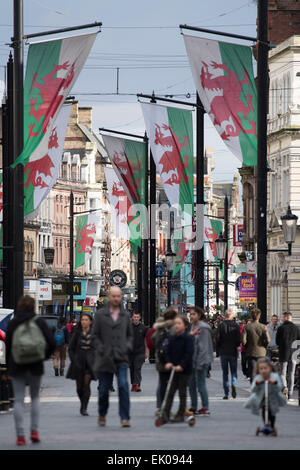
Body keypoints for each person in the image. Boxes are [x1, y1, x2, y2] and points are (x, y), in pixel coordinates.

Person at [5, 295, 55, 446]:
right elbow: (51, 342)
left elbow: (8, 345)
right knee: (34, 398)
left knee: (19, 399)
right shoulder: (39, 322)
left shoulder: (13, 323)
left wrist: (8, 367)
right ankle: (34, 431)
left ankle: (20, 435)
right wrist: (43, 356)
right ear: (33, 306)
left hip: (17, 364)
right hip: (35, 364)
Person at [92, 286, 133, 428]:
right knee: (103, 389)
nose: (116, 299)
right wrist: (101, 348)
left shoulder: (125, 315)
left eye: (118, 296)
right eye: (114, 296)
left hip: (121, 357)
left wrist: (127, 346)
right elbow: (95, 335)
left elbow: (130, 335)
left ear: (121, 297)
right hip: (105, 358)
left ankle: (125, 418)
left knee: (123, 386)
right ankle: (102, 414)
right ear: (109, 296)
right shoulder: (100, 315)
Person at [161, 316, 194, 423]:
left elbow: (188, 353)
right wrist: (169, 362)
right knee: (170, 392)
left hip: (184, 370)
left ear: (185, 326)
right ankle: (165, 413)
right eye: (175, 323)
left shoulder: (188, 338)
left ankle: (180, 414)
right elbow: (167, 352)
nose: (176, 325)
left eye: (179, 323)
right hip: (173, 369)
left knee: (182, 392)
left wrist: (182, 365)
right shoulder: (172, 338)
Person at [244, 357, 286, 434]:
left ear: (270, 368)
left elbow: (279, 387)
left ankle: (272, 426)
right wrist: (257, 384)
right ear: (258, 370)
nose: (263, 370)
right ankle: (266, 424)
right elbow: (253, 389)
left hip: (273, 397)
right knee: (264, 410)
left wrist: (275, 383)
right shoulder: (258, 377)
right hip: (263, 398)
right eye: (261, 368)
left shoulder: (274, 376)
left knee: (272, 412)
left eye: (265, 368)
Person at [66, 312, 96, 416]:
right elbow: (70, 349)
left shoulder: (94, 334)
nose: (84, 322)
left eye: (86, 320)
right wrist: (74, 360)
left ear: (90, 321)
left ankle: (84, 407)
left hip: (89, 364)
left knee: (86, 384)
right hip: (78, 363)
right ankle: (82, 401)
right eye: (82, 320)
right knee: (79, 387)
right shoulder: (77, 333)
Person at [189, 307, 214, 416]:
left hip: (201, 360)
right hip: (193, 360)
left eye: (193, 314)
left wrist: (200, 363)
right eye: (190, 314)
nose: (191, 316)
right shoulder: (192, 327)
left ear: (199, 315)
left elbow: (203, 347)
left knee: (200, 384)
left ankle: (205, 407)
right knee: (191, 384)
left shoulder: (203, 328)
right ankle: (193, 407)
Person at [152, 307, 177, 415]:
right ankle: (166, 408)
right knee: (170, 385)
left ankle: (159, 407)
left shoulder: (159, 327)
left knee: (161, 384)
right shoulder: (173, 328)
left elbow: (153, 339)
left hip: (160, 358)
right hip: (171, 359)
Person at [216, 309, 241, 400]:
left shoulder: (221, 326)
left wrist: (218, 350)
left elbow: (217, 339)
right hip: (233, 351)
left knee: (225, 373)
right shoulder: (236, 326)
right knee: (233, 371)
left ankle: (226, 393)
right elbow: (239, 340)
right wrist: (236, 345)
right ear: (232, 316)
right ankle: (234, 384)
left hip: (223, 352)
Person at [276, 311, 300, 400]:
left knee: (282, 373)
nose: (282, 319)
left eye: (283, 317)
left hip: (283, 354)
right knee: (291, 374)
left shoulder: (281, 328)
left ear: (286, 317)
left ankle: (284, 387)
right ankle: (290, 393)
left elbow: (277, 341)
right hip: (294, 354)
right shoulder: (296, 328)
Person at [242, 308, 270, 383]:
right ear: (259, 316)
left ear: (251, 316)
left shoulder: (246, 327)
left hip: (250, 352)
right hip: (261, 352)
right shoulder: (263, 327)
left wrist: (246, 347)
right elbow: (268, 340)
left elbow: (243, 341)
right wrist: (264, 347)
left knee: (252, 372)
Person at [129, 312, 149, 392]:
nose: (136, 318)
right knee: (132, 368)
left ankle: (137, 384)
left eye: (137, 317)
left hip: (140, 352)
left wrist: (147, 352)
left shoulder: (143, 328)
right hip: (130, 352)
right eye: (135, 317)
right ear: (132, 318)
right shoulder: (128, 327)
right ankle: (133, 384)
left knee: (137, 368)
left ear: (140, 318)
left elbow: (146, 341)